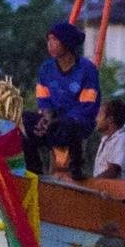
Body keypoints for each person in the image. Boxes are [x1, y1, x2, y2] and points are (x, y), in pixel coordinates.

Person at [23, 20, 100, 175]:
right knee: (23, 120)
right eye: (49, 40)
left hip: (76, 123)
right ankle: (34, 168)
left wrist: (57, 121)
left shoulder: (87, 69)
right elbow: (43, 99)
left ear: (67, 43)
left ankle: (75, 166)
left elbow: (87, 105)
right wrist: (46, 117)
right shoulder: (46, 68)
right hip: (53, 120)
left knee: (69, 126)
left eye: (55, 40)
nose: (50, 44)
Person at [92, 98, 125, 180]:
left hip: (119, 191)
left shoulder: (123, 139)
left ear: (110, 119)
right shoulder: (104, 140)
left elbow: (113, 171)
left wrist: (91, 184)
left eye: (99, 114)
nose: (96, 119)